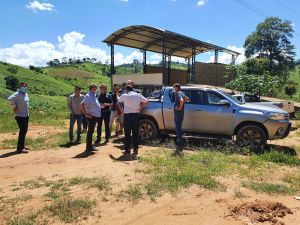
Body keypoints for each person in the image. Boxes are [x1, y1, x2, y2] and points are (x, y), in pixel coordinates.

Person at [118, 85, 148, 159]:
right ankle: (135, 150)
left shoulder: (125, 95)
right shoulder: (138, 95)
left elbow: (119, 100)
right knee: (135, 134)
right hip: (136, 116)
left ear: (126, 90)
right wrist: (140, 108)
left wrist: (117, 95)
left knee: (127, 134)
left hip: (127, 116)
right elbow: (147, 101)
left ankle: (127, 151)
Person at [7, 82, 30, 154]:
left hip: (25, 115)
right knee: (23, 130)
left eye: (25, 86)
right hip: (20, 115)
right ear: (20, 87)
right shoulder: (17, 94)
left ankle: (22, 146)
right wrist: (14, 107)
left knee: (24, 130)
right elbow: (9, 99)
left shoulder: (25, 94)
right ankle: (20, 148)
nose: (24, 87)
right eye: (23, 86)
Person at [80, 84, 101, 152]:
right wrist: (86, 114)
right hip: (91, 116)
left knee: (91, 132)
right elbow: (81, 105)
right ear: (91, 88)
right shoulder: (88, 96)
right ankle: (88, 147)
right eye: (95, 88)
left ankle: (89, 146)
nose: (96, 89)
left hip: (94, 116)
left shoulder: (93, 95)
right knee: (90, 132)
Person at [173, 83, 185, 156]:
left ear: (177, 88)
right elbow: (186, 99)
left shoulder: (178, 94)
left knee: (178, 129)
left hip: (178, 114)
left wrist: (179, 108)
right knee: (179, 128)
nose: (173, 89)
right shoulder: (181, 93)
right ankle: (180, 143)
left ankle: (179, 145)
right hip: (181, 114)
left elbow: (182, 100)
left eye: (174, 88)